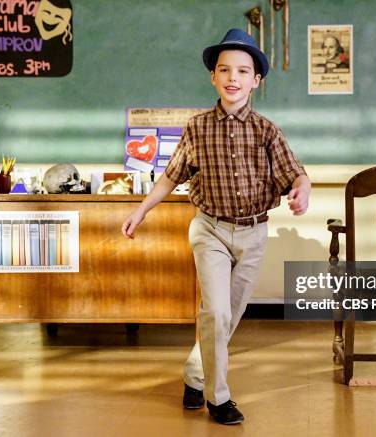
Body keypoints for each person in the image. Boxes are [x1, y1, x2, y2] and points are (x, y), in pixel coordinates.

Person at [121, 28, 310, 425]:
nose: (233, 78)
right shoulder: (196, 127)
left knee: (228, 317)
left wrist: (300, 190)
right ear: (213, 77)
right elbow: (171, 177)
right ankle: (218, 397)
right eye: (224, 70)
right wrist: (141, 211)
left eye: (243, 71)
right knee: (216, 313)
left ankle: (194, 373)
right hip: (209, 230)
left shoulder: (267, 131)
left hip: (254, 233)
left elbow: (296, 174)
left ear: (256, 80)